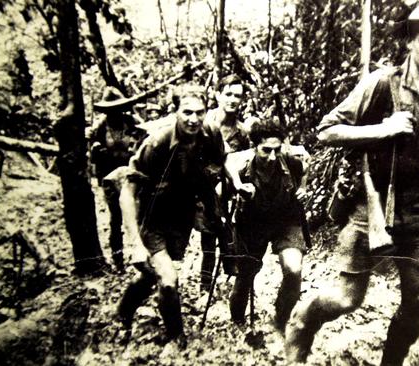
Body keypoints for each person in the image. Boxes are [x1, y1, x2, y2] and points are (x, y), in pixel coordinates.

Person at [284, 3, 419, 365]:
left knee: (417, 301)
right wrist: (383, 129)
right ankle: (300, 326)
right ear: (410, 43)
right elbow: (327, 130)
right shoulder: (382, 83)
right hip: (373, 207)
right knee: (346, 298)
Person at [116, 84, 227, 345]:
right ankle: (177, 339)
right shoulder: (156, 143)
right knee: (167, 281)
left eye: (200, 112)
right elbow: (127, 193)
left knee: (149, 275)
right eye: (187, 112)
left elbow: (221, 163)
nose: (194, 119)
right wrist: (134, 244)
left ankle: (123, 311)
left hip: (181, 219)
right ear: (175, 111)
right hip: (152, 218)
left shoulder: (210, 133)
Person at [225, 120, 310, 333]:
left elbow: (305, 170)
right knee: (245, 275)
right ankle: (237, 322)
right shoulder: (242, 168)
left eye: (277, 150)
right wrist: (239, 192)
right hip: (253, 224)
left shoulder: (290, 161)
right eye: (266, 151)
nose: (273, 156)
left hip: (286, 221)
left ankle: (279, 322)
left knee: (293, 270)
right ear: (254, 147)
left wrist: (303, 188)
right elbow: (221, 194)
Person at [198, 74, 252, 291]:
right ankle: (205, 285)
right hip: (203, 189)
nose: (232, 100)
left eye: (237, 96)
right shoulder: (203, 123)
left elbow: (247, 161)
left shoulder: (243, 131)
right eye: (228, 94)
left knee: (231, 235)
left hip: (230, 190)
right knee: (209, 237)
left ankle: (231, 279)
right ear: (217, 94)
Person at [88, 87, 143, 270]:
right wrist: (97, 150)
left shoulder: (132, 123)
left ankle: (141, 256)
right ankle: (118, 259)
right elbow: (93, 157)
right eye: (111, 109)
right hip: (110, 178)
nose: (115, 113)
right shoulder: (100, 128)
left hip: (131, 176)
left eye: (118, 108)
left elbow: (144, 143)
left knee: (139, 215)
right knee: (116, 218)